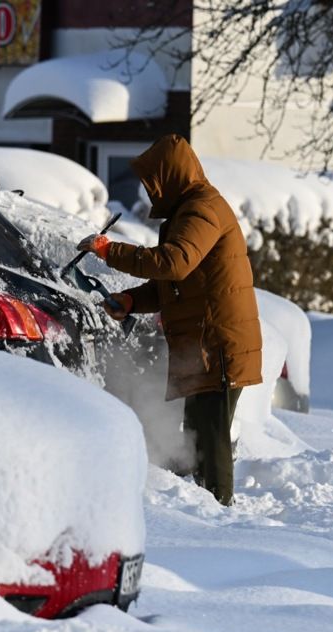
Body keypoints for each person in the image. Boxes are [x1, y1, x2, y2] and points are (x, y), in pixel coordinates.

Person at [77, 134, 262, 506]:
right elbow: (174, 284)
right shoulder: (189, 210)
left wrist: (110, 251)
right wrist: (131, 300)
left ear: (171, 175)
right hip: (205, 346)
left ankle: (220, 516)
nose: (150, 191)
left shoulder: (202, 210)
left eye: (153, 181)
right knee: (197, 437)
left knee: (209, 441)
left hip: (219, 346)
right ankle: (211, 510)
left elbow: (174, 264)